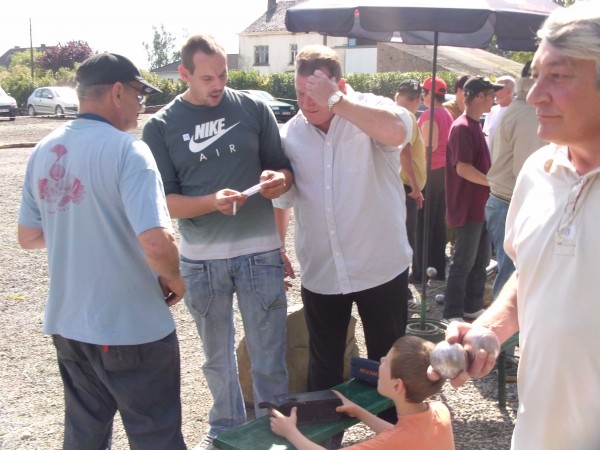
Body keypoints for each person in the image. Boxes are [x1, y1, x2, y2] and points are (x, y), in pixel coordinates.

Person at [434, 4, 600, 448]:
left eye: (558, 77)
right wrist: (493, 325)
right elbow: (535, 271)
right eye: (536, 76)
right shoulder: (538, 171)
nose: (535, 94)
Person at [17, 53, 187, 449]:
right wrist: (177, 279)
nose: (141, 105)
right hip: (132, 328)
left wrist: (81, 229)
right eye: (138, 95)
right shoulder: (129, 151)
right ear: (116, 92)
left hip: (70, 325)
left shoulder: (43, 150)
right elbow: (156, 241)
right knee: (155, 437)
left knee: (84, 437)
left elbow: (29, 235)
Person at [142, 35, 293, 448]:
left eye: (223, 74)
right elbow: (166, 204)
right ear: (184, 74)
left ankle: (275, 430)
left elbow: (282, 169)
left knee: (269, 355)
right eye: (207, 77)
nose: (218, 85)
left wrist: (279, 181)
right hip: (200, 262)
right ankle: (227, 430)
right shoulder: (160, 126)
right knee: (216, 359)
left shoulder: (254, 108)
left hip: (259, 253)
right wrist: (210, 202)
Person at [273, 44, 412, 400]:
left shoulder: (370, 110)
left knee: (391, 362)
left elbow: (398, 133)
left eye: (316, 92)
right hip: (323, 270)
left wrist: (338, 103)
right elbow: (283, 199)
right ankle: (325, 440)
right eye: (301, 92)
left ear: (340, 85)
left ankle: (396, 435)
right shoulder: (290, 135)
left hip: (379, 265)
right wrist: (277, 247)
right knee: (324, 365)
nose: (307, 101)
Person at [270, 335, 454, 450]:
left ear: (397, 385)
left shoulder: (390, 443)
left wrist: (290, 431)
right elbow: (405, 437)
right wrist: (360, 412)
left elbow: (398, 438)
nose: (380, 360)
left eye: (386, 361)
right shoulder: (439, 411)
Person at [443, 77, 502, 322]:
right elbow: (463, 169)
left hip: (481, 206)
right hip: (466, 207)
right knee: (463, 262)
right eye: (491, 95)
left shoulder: (476, 125)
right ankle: (452, 312)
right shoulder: (462, 127)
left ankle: (471, 305)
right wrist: (494, 182)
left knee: (480, 261)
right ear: (479, 96)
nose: (494, 99)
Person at [485, 65, 545, 299]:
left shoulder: (524, 108)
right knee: (513, 277)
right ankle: (506, 337)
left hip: (506, 200)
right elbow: (528, 172)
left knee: (513, 273)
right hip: (510, 202)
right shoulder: (530, 113)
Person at [411, 77, 454, 284]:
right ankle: (437, 267)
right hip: (444, 173)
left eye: (423, 93)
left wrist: (417, 177)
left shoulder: (430, 114)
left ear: (428, 94)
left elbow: (430, 146)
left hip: (431, 173)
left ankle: (419, 271)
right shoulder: (447, 113)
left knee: (422, 224)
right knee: (438, 223)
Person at [395, 80, 427, 310]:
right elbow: (404, 150)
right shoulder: (407, 116)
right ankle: (401, 292)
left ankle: (399, 289)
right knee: (404, 241)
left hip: (398, 187)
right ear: (417, 99)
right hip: (405, 188)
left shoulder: (390, 111)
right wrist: (416, 187)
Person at [482, 75, 516, 156]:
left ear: (509, 91)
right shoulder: (492, 111)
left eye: (498, 89)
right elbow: (486, 137)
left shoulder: (516, 112)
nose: (494, 92)